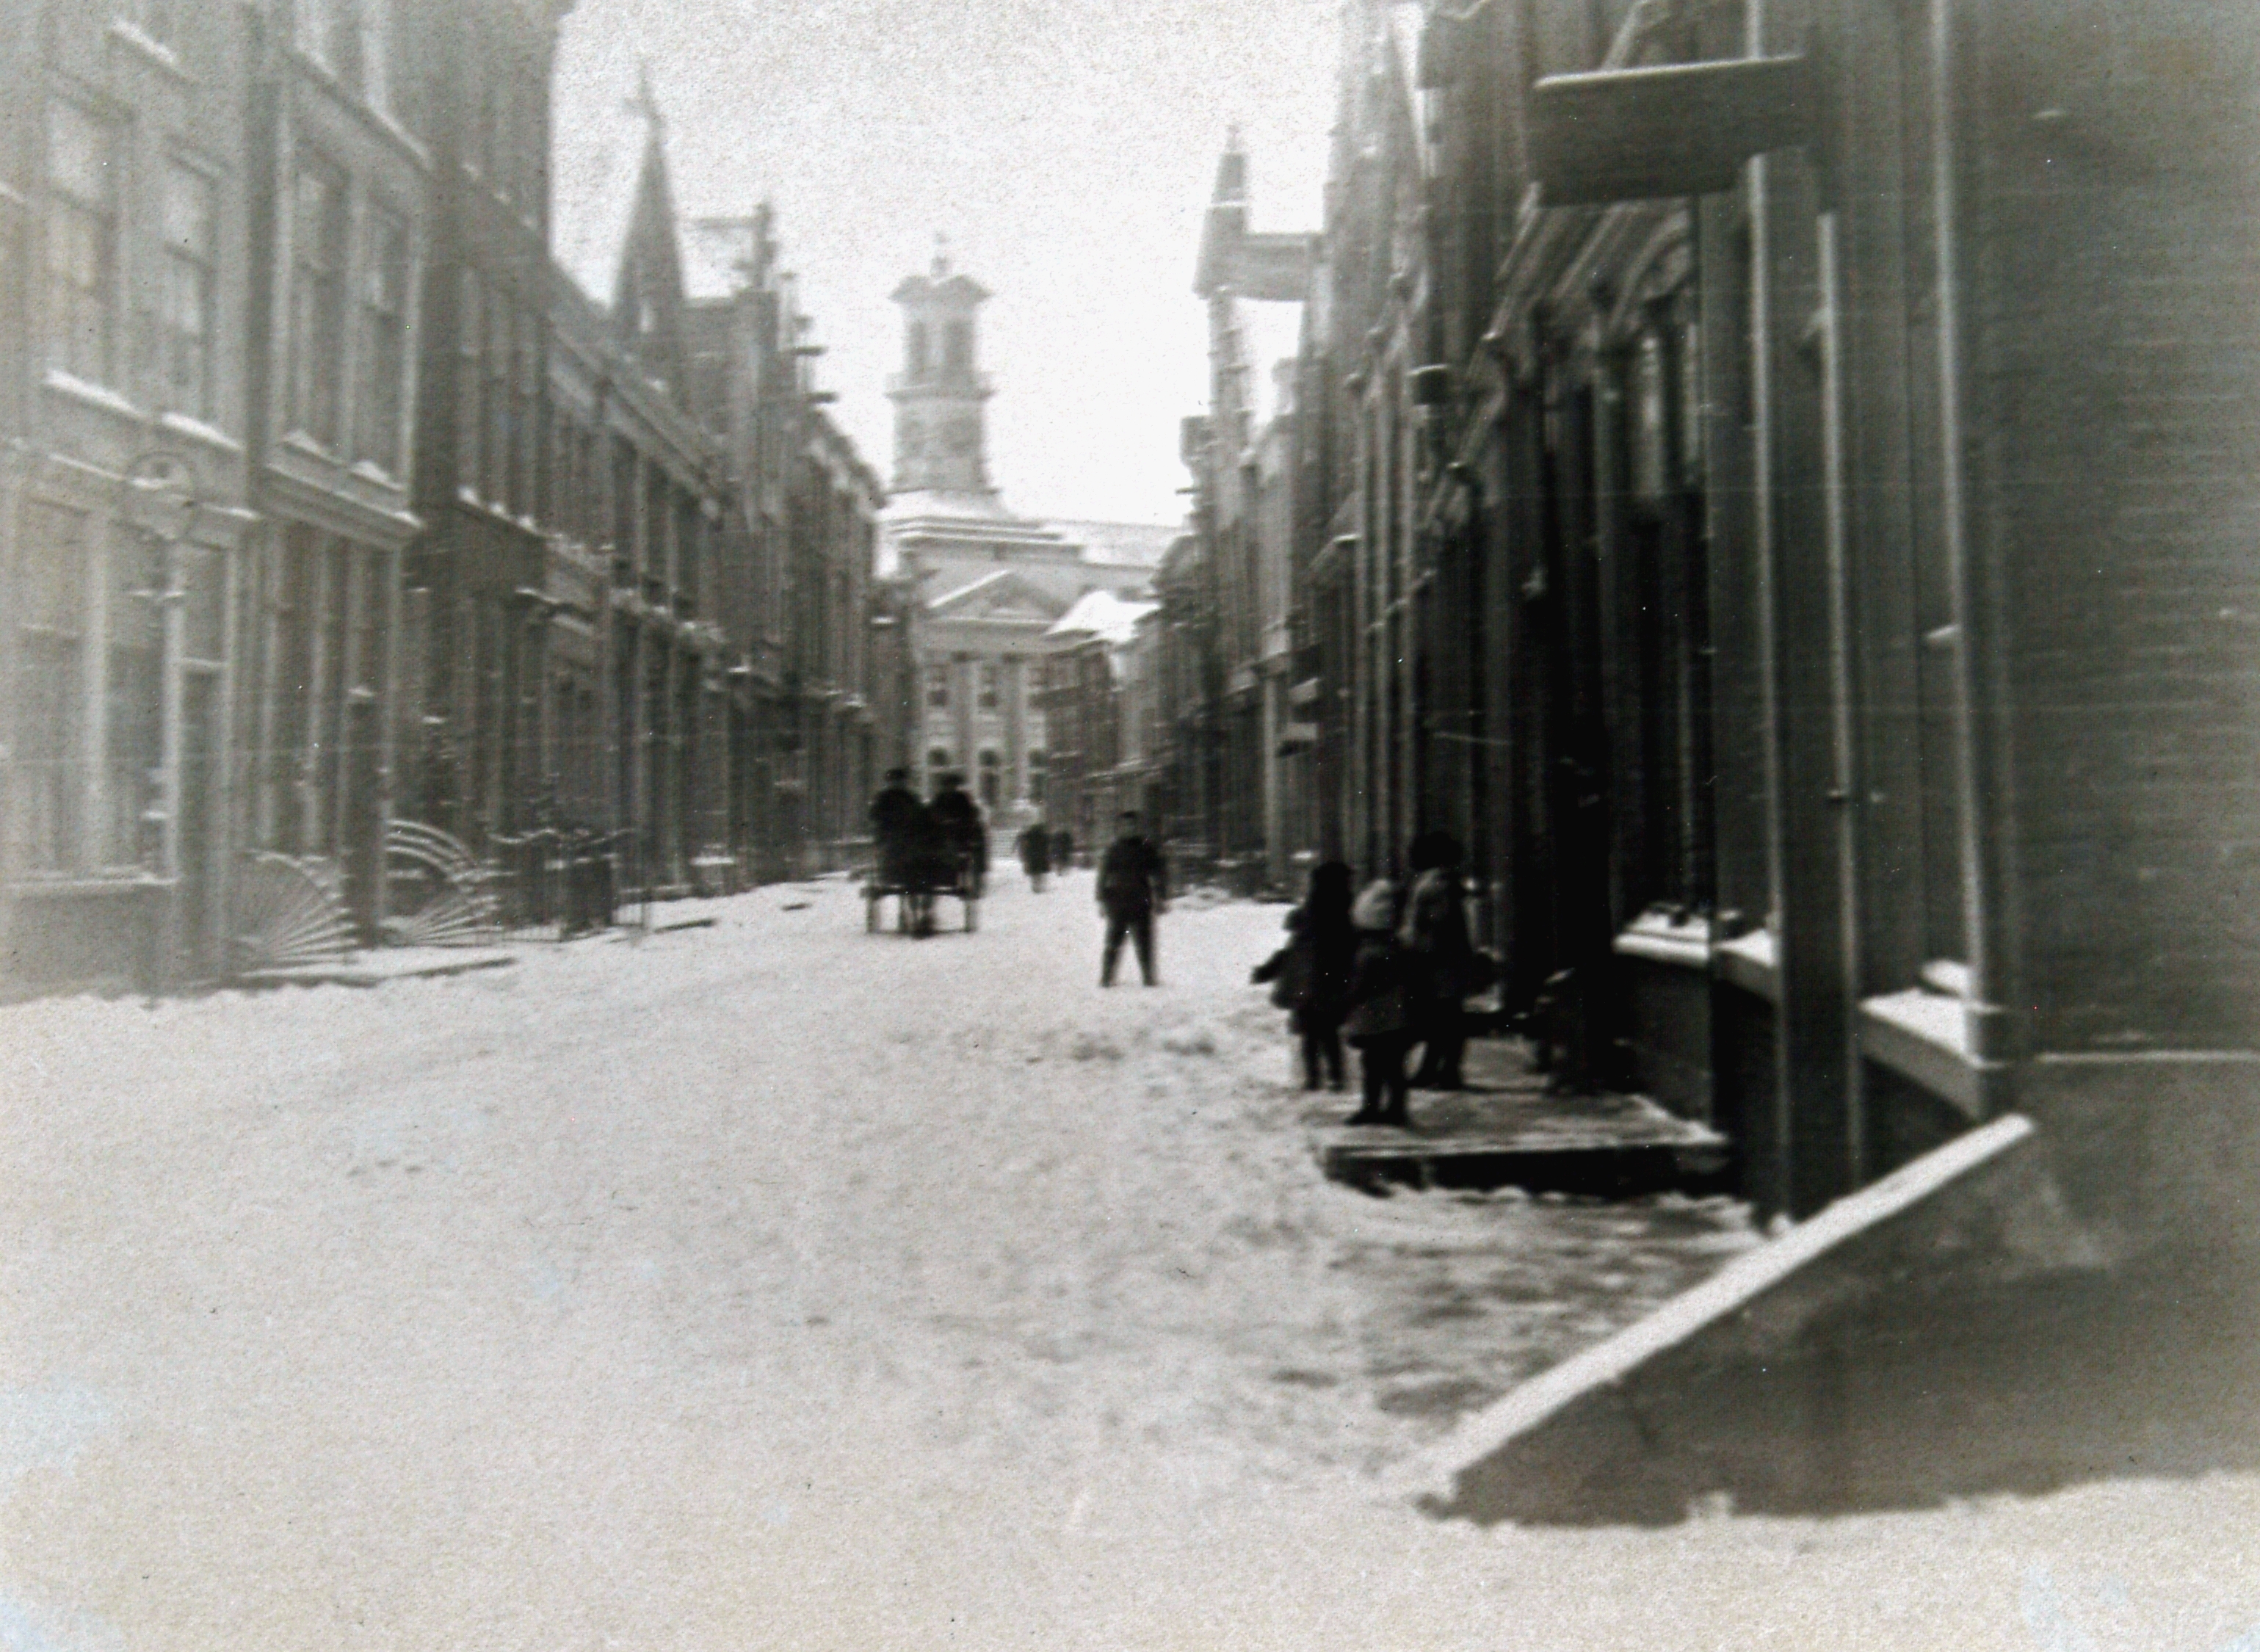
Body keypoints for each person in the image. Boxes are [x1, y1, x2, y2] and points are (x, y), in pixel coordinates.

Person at [1251, 860, 1357, 1091]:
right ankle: (1335, 1077)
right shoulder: (1344, 908)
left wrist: (1268, 971)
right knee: (1329, 1032)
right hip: (1331, 979)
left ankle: (1314, 1078)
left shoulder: (1312, 910)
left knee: (1311, 1034)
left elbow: (1291, 951)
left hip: (1309, 982)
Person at [1402, 837, 1479, 1089]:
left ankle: (1444, 1072)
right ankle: (1438, 1070)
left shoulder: (1434, 885)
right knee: (1444, 1018)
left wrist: (1419, 955)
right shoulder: (1443, 883)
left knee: (1444, 1019)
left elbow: (1436, 924)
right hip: (1447, 961)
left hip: (1438, 962)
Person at [1339, 879, 1415, 1126]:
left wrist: (1345, 1006)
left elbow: (1358, 988)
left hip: (1374, 1018)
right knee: (1394, 1066)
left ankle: (1371, 1108)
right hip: (1398, 1016)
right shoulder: (1399, 947)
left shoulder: (1367, 954)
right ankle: (1396, 1109)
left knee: (1372, 1065)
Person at [1096, 811, 1167, 986]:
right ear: (1120, 828)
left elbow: (1159, 873)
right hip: (1118, 902)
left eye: (1132, 825)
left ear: (1137, 827)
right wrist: (1101, 900)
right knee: (1113, 942)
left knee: (1145, 942)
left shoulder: (1146, 848)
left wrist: (1161, 897)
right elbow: (1103, 876)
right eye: (1125, 825)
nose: (1129, 828)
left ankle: (1148, 977)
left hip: (1141, 902)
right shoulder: (1114, 850)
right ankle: (1107, 977)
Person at [927, 772, 987, 896]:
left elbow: (971, 815)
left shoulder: (961, 798)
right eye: (948, 785)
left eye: (952, 785)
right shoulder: (941, 799)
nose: (950, 788)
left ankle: (975, 875)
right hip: (943, 835)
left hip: (958, 835)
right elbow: (931, 815)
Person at [869, 768, 923, 888]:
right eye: (894, 781)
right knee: (890, 850)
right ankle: (889, 873)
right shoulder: (883, 798)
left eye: (900, 781)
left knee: (916, 851)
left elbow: (920, 815)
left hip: (907, 834)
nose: (897, 784)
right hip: (888, 833)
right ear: (889, 782)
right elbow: (874, 815)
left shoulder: (910, 798)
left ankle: (911, 874)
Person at [1016, 820, 1054, 891]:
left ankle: (1035, 885)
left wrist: (1025, 856)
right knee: (1041, 873)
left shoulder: (1029, 836)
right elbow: (1049, 846)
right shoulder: (1045, 836)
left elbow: (1025, 846)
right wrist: (1049, 856)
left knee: (1034, 873)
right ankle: (1040, 885)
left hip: (1032, 857)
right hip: (1042, 857)